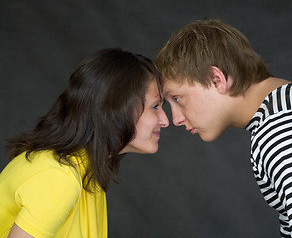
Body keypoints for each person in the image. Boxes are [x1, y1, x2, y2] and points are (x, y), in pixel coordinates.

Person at [155, 19, 292, 237]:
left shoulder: (285, 126)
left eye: (178, 98)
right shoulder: (284, 109)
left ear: (216, 80)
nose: (175, 118)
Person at [0, 48, 169, 238]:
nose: (165, 120)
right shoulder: (59, 177)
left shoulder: (87, 170)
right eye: (155, 106)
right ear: (117, 110)